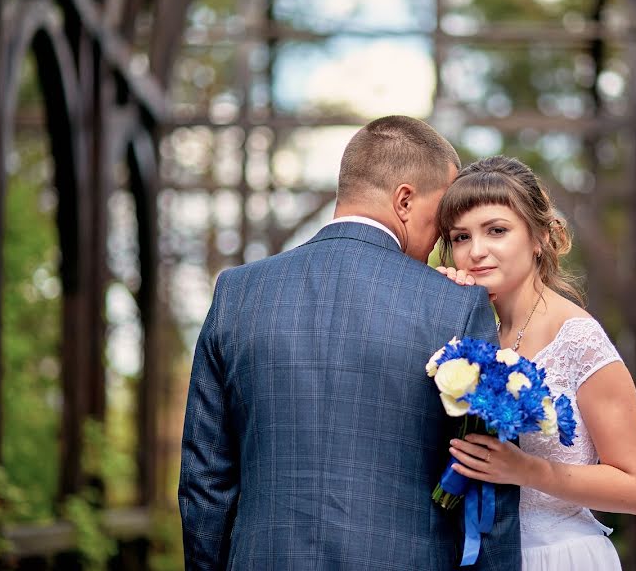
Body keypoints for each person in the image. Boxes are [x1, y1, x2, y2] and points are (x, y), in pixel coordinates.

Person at [178, 116, 521, 570]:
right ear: (404, 200)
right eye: (439, 218)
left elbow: (204, 480)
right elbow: (485, 479)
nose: (441, 237)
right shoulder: (454, 307)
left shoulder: (239, 294)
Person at [435, 155, 636, 570]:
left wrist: (527, 469)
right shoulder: (478, 337)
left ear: (539, 237)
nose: (475, 251)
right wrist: (441, 305)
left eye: (496, 230)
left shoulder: (578, 338)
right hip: (488, 555)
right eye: (460, 237)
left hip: (561, 556)